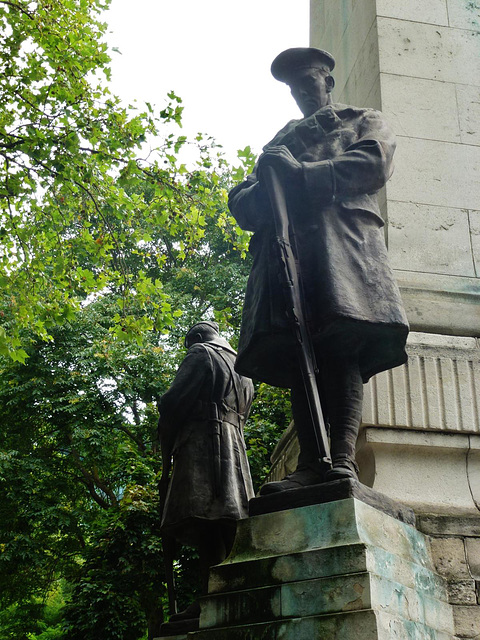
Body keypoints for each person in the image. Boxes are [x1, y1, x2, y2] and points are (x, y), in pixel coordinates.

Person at [228, 47, 409, 493]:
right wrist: (266, 183)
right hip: (291, 255)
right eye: (294, 89)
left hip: (343, 246)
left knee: (342, 346)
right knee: (298, 351)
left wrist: (303, 175)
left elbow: (373, 162)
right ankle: (311, 462)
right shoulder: (281, 140)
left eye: (309, 83)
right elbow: (244, 201)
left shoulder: (362, 119)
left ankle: (342, 459)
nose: (303, 94)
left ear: (327, 80)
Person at [158, 321, 254, 631]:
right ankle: (220, 592)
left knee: (208, 522)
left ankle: (211, 596)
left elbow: (171, 403)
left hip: (204, 442)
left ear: (196, 337)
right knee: (226, 525)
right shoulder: (244, 367)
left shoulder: (200, 353)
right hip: (235, 446)